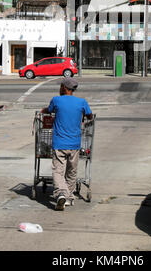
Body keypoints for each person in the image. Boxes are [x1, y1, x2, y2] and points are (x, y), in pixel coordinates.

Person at [43, 77, 92, 211]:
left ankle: (61, 194)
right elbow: (90, 116)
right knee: (72, 171)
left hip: (59, 143)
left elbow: (49, 110)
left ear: (64, 87)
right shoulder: (82, 102)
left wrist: (44, 111)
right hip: (75, 143)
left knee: (58, 171)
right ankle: (69, 197)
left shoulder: (56, 100)